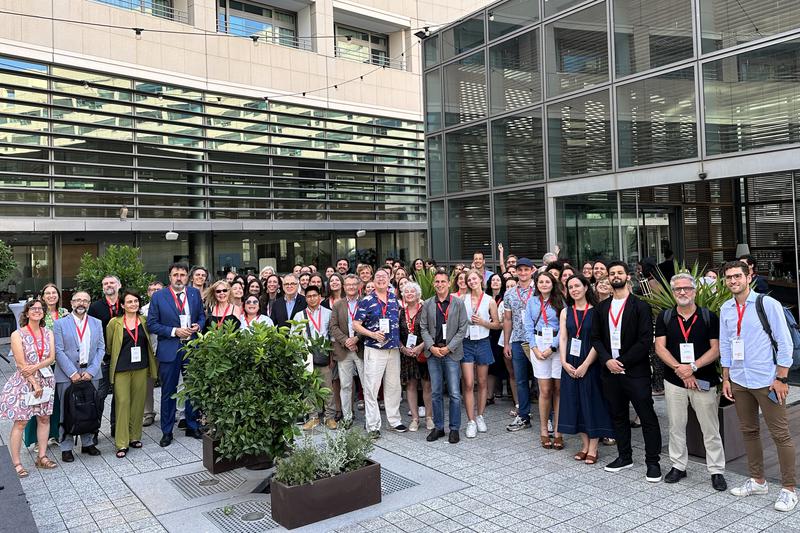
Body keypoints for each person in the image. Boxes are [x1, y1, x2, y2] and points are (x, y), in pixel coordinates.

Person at [720, 260, 797, 511]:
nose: (733, 281)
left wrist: (782, 378)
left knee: (780, 434)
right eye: (729, 277)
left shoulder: (767, 304)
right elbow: (726, 345)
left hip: (767, 380)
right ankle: (758, 480)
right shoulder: (726, 309)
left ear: (748, 277)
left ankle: (789, 489)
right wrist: (726, 378)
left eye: (737, 276)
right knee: (749, 431)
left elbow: (784, 342)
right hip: (740, 380)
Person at [654, 273, 727, 491]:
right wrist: (681, 369)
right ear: (673, 292)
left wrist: (693, 368)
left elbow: (716, 349)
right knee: (676, 426)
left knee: (710, 428)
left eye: (686, 288)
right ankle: (678, 466)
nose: (682, 292)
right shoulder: (665, 317)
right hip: (674, 380)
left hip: (704, 381)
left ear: (694, 291)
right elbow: (660, 348)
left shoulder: (709, 316)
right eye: (678, 289)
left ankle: (716, 470)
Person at [591, 261, 662, 482]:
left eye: (619, 272)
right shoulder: (601, 308)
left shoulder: (640, 306)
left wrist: (620, 361)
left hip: (635, 371)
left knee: (647, 416)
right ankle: (625, 456)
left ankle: (653, 462)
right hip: (610, 372)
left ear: (627, 277)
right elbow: (595, 338)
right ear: (608, 279)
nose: (616, 276)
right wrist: (607, 361)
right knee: (618, 416)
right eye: (612, 274)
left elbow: (644, 341)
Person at [146, 263, 206, 447]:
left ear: (187, 277)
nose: (179, 278)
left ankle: (192, 424)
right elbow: (152, 324)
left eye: (182, 274)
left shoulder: (195, 294)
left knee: (192, 389)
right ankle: (166, 431)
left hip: (191, 348)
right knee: (168, 392)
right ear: (169, 277)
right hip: (170, 349)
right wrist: (174, 331)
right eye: (175, 275)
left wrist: (198, 326)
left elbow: (202, 316)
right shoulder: (159, 296)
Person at [558, 275, 614, 465]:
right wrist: (564, 362)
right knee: (576, 403)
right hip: (571, 362)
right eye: (570, 286)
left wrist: (586, 365)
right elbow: (563, 338)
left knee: (593, 402)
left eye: (577, 286)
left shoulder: (597, 310)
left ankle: (594, 448)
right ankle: (584, 445)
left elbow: (599, 341)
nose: (574, 289)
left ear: (585, 287)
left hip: (591, 362)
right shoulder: (566, 312)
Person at [1, 299, 58, 476]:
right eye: (33, 308)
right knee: (21, 422)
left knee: (44, 419)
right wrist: (34, 383)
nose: (37, 311)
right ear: (26, 313)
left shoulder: (48, 332)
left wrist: (35, 368)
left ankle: (41, 457)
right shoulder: (17, 334)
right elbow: (20, 363)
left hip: (46, 379)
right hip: (26, 382)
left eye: (40, 309)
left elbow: (51, 358)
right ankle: (16, 463)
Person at [352, 268, 407, 439]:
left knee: (393, 386)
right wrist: (371, 334)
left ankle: (394, 420)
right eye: (378, 277)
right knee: (371, 387)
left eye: (384, 277)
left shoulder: (394, 299)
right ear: (373, 281)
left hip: (393, 349)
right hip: (374, 349)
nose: (381, 279)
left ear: (389, 279)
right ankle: (373, 425)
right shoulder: (366, 300)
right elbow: (355, 324)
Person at [106, 290, 158, 458]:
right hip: (121, 368)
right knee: (122, 403)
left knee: (138, 403)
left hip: (141, 367)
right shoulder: (115, 323)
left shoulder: (144, 321)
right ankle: (122, 442)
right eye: (129, 302)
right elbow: (109, 345)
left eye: (136, 301)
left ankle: (135, 436)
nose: (133, 304)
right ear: (122, 305)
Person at [54, 291, 105, 462]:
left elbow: (101, 349)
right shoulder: (60, 324)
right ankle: (66, 446)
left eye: (85, 300)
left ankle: (88, 443)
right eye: (77, 300)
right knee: (66, 410)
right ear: (72, 303)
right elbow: (58, 350)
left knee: (90, 408)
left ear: (89, 303)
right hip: (66, 374)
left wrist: (91, 370)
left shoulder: (97, 323)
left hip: (91, 373)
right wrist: (72, 372)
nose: (81, 303)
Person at [420, 270, 469, 444]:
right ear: (434, 284)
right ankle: (439, 427)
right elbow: (423, 328)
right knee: (436, 392)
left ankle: (454, 429)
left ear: (449, 283)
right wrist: (431, 347)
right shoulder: (427, 304)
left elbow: (463, 328)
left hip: (452, 353)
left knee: (455, 393)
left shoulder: (458, 303)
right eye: (437, 282)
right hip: (433, 353)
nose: (440, 284)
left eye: (443, 281)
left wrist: (449, 348)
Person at [24, 283, 68, 449]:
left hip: (61, 363)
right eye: (47, 293)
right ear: (42, 297)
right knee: (38, 401)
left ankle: (55, 435)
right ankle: (35, 439)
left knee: (56, 401)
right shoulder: (38, 314)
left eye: (54, 292)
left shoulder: (65, 313)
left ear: (58, 296)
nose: (51, 296)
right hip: (41, 364)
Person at [524, 271, 565, 449]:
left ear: (552, 283)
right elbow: (527, 327)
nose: (544, 284)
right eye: (540, 282)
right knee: (545, 390)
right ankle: (543, 429)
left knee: (558, 389)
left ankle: (558, 431)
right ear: (537, 284)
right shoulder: (532, 302)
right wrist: (534, 348)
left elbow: (564, 327)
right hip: (538, 344)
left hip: (557, 345)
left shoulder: (560, 301)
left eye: (547, 281)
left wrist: (552, 348)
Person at [462, 269, 501, 438]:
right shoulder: (462, 300)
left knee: (483, 382)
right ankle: (470, 421)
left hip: (483, 342)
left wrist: (483, 322)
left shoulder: (489, 300)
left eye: (474, 278)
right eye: (469, 280)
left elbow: (497, 324)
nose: (472, 282)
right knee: (469, 383)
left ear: (480, 280)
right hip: (467, 342)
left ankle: (480, 416)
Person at [292, 285, 336, 430]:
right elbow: (294, 337)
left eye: (314, 296)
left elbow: (332, 336)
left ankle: (330, 417)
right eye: (309, 296)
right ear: (306, 298)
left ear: (320, 297)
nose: (312, 298)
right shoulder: (299, 315)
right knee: (309, 388)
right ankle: (313, 417)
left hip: (323, 355)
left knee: (327, 387)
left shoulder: (328, 313)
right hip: (307, 357)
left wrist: (331, 357)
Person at [88, 274, 122, 441]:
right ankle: (94, 431)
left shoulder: (126, 304)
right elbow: (91, 333)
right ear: (102, 287)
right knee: (99, 395)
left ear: (119, 285)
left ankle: (117, 428)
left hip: (123, 359)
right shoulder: (95, 307)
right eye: (105, 283)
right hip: (103, 359)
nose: (109, 285)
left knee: (119, 395)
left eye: (112, 282)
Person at [329, 274, 364, 429]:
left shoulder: (365, 303)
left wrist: (356, 339)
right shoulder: (338, 305)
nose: (350, 287)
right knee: (345, 386)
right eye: (347, 284)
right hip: (344, 350)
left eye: (353, 284)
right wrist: (346, 341)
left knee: (366, 385)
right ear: (343, 287)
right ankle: (347, 417)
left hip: (361, 349)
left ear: (358, 286)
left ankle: (370, 419)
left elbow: (369, 325)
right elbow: (333, 327)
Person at [505, 258, 536, 432]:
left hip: (537, 340)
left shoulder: (539, 289)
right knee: (521, 380)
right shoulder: (510, 293)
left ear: (532, 270)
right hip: (517, 340)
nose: (523, 273)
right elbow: (508, 319)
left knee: (542, 380)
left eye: (526, 269)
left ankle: (550, 418)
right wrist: (507, 343)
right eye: (520, 270)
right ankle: (523, 416)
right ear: (516, 272)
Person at [399, 281, 433, 432]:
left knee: (427, 385)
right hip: (407, 354)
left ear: (418, 294)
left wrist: (420, 347)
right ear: (403, 295)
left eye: (412, 292)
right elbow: (396, 333)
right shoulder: (400, 312)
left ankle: (429, 418)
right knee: (411, 386)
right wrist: (402, 348)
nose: (410, 294)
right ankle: (414, 419)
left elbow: (432, 331)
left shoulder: (426, 310)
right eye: (407, 292)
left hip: (423, 352)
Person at [486, 273, 514, 408]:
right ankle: (489, 396)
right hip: (488, 334)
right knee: (490, 367)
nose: (495, 282)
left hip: (502, 334)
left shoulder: (505, 298)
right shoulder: (485, 297)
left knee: (508, 368)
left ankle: (515, 399)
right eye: (493, 280)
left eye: (498, 280)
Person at [139, 280, 163, 428]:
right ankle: (148, 413)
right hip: (148, 351)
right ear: (148, 293)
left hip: (166, 350)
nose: (154, 292)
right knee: (148, 384)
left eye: (158, 289)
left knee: (168, 382)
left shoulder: (171, 307)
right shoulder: (142, 311)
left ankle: (171, 411)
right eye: (151, 289)